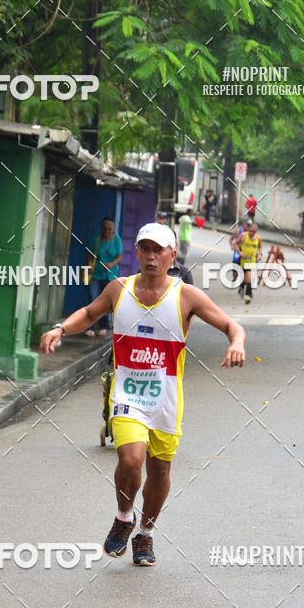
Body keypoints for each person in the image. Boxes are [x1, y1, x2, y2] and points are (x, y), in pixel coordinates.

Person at [40, 222, 245, 567]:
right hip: (127, 394)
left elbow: (230, 325)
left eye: (158, 250)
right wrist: (61, 328)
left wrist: (237, 343)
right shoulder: (119, 288)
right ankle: (123, 517)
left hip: (165, 401)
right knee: (131, 460)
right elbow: (90, 314)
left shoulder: (186, 296)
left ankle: (146, 533)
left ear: (171, 255)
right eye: (145, 249)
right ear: (135, 252)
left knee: (160, 472)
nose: (151, 256)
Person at [84, 217, 122, 337]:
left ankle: (104, 326)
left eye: (110, 229)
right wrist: (89, 263)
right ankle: (90, 327)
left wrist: (112, 264)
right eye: (105, 228)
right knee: (93, 299)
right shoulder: (96, 239)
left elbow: (119, 256)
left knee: (105, 301)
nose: (107, 231)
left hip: (110, 275)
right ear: (102, 228)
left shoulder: (117, 239)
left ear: (113, 229)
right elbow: (89, 254)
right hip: (95, 274)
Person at [235, 222, 263, 303]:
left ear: (256, 231)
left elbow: (260, 247)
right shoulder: (243, 235)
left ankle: (248, 295)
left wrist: (260, 254)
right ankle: (241, 286)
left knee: (249, 277)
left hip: (252, 261)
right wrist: (239, 252)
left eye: (254, 232)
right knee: (244, 278)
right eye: (251, 231)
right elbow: (235, 244)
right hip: (242, 260)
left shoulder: (258, 238)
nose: (252, 233)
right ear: (248, 230)